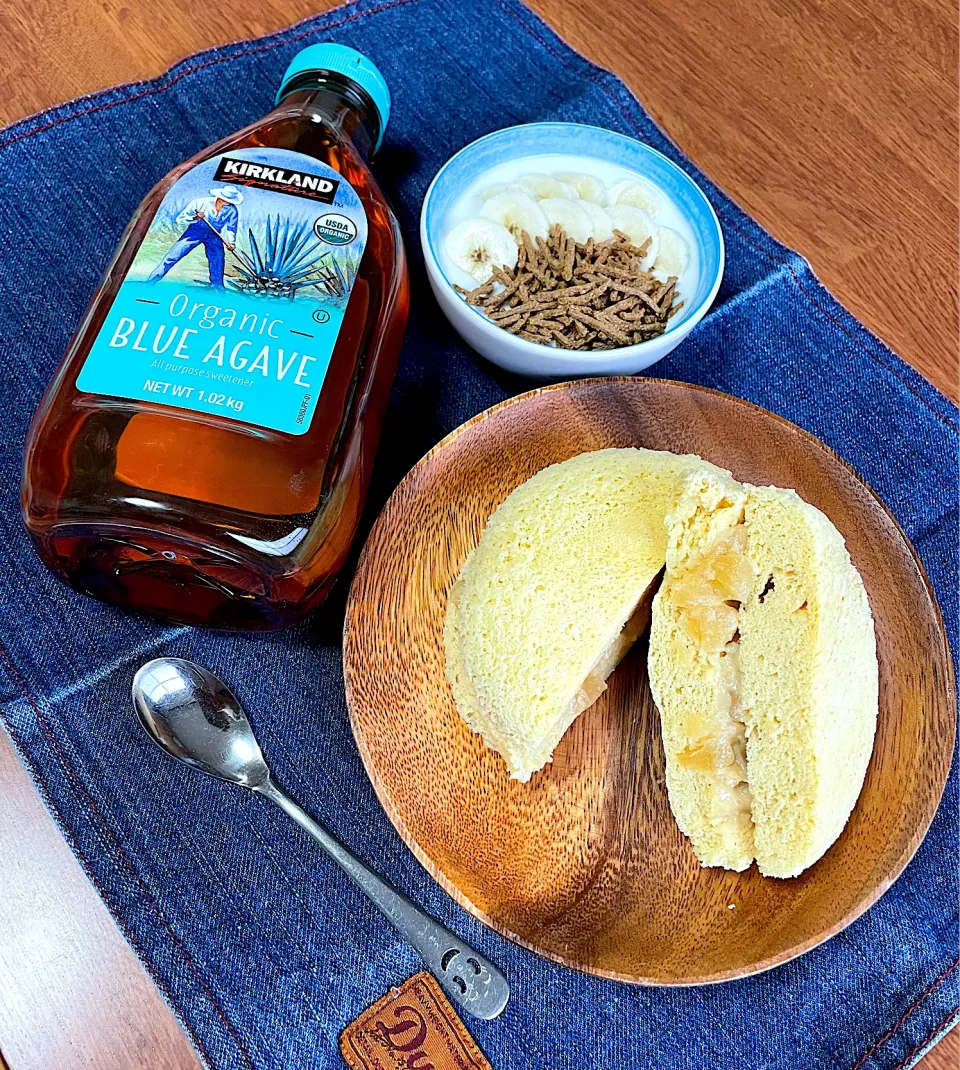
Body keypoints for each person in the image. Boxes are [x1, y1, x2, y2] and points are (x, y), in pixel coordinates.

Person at [148, 185, 243, 288]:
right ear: (220, 196)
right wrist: (195, 217)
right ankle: (150, 282)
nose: (227, 202)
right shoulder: (200, 203)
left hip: (214, 235)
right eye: (226, 200)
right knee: (173, 256)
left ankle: (218, 289)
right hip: (195, 231)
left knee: (218, 260)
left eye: (229, 201)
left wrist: (231, 242)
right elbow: (180, 219)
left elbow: (231, 228)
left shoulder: (232, 210)